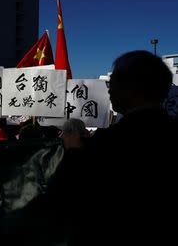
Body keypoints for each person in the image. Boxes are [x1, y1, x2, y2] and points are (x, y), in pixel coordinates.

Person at [54, 51, 177, 245]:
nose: (109, 90)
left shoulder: (114, 141)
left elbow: (74, 195)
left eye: (115, 82)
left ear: (134, 87)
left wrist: (73, 151)